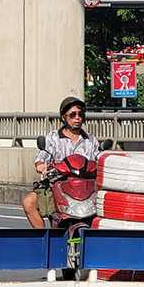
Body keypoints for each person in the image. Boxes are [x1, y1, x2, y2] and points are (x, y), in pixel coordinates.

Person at [22, 96, 102, 228]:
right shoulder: (53, 137)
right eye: (72, 114)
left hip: (86, 187)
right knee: (28, 202)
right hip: (58, 184)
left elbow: (99, 158)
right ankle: (45, 240)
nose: (77, 118)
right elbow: (43, 155)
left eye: (80, 114)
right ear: (64, 117)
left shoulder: (91, 140)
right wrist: (41, 165)